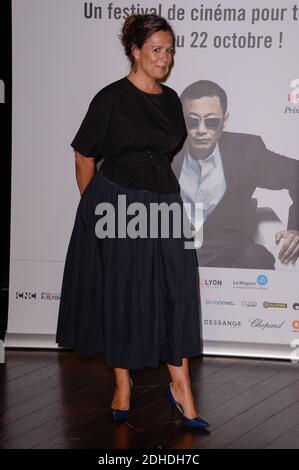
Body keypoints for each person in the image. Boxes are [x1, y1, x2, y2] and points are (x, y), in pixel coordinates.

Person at [56, 15, 209, 430]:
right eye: (157, 49)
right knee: (122, 294)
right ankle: (122, 385)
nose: (165, 57)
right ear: (135, 51)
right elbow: (84, 156)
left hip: (164, 204)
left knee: (174, 293)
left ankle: (182, 391)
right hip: (117, 205)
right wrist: (94, 208)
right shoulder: (109, 98)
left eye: (171, 50)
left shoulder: (171, 98)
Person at [172, 80, 299, 269]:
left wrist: (296, 228)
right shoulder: (162, 152)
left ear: (225, 120)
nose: (201, 130)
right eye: (192, 120)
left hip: (228, 252)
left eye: (211, 121)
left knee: (257, 259)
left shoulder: (247, 152)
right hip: (171, 250)